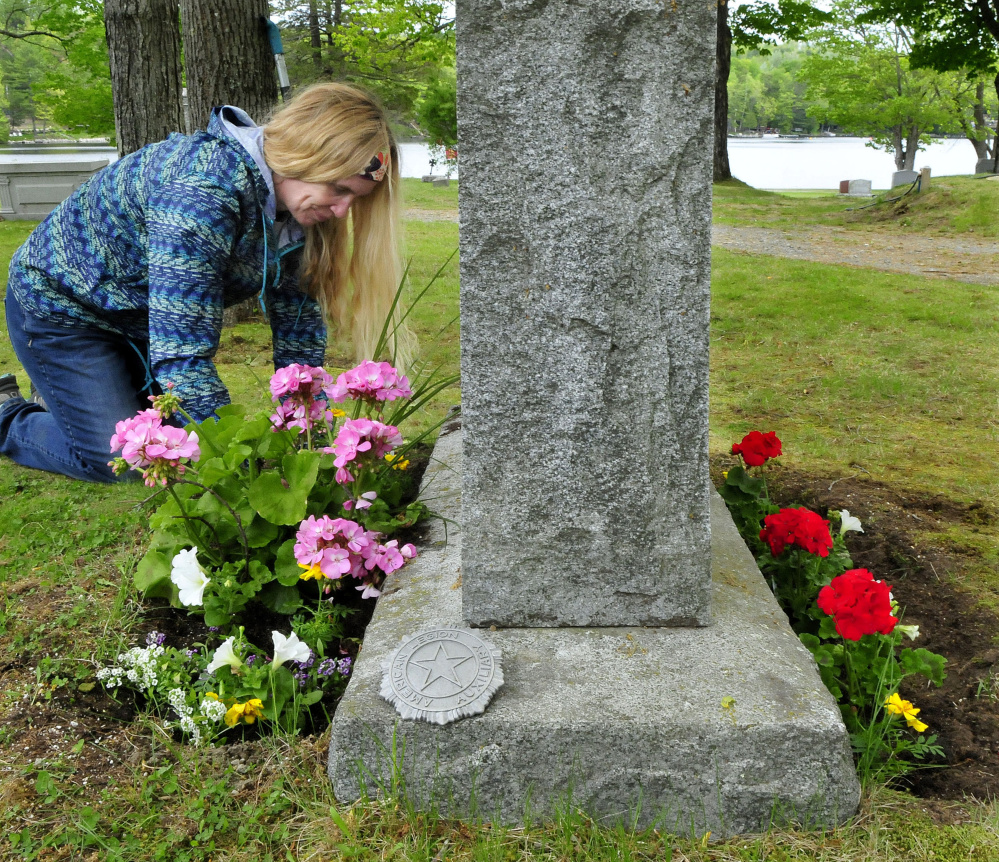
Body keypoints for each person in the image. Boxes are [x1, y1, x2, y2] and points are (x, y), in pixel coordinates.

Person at [0, 82, 408, 482]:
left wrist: (309, 440)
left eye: (355, 199)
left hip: (138, 316)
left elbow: (297, 328)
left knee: (169, 443)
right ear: (304, 155)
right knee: (130, 458)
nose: (341, 212)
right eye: (337, 189)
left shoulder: (298, 212)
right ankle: (8, 413)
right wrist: (237, 464)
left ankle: (67, 396)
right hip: (64, 309)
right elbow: (182, 354)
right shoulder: (202, 192)